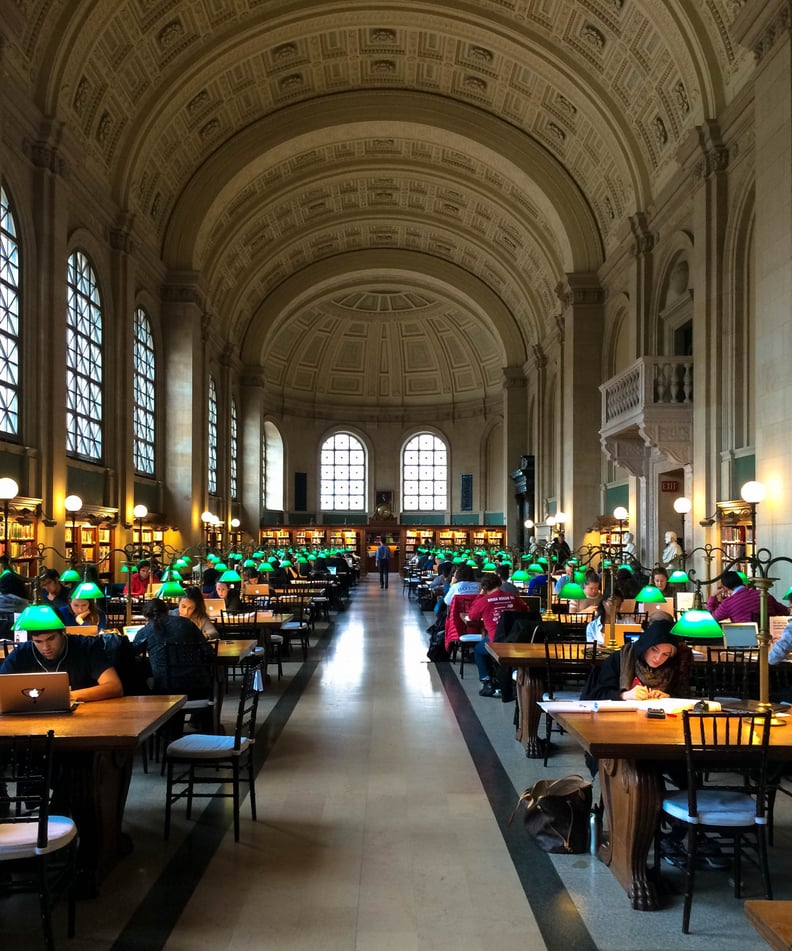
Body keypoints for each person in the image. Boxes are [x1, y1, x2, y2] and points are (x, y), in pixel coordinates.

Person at [0, 616, 123, 702]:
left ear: (63, 632)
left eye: (51, 639)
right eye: (38, 641)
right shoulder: (21, 653)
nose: (45, 647)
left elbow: (114, 687)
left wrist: (66, 696)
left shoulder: (87, 646)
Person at [131, 598, 216, 711]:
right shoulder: (187, 623)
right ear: (167, 611)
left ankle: (157, 722)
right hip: (198, 686)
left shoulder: (147, 631)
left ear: (146, 616)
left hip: (166, 689)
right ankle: (200, 722)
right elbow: (208, 652)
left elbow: (131, 653)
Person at [582, 615, 693, 702]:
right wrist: (624, 695)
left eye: (665, 654)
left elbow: (684, 695)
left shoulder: (673, 666)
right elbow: (597, 694)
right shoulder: (619, 659)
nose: (658, 658)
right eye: (654, 650)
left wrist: (668, 696)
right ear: (645, 646)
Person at [467, 573, 529, 696]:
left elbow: (472, 616)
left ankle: (487, 682)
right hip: (515, 639)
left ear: (484, 587)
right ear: (500, 583)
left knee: (478, 650)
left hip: (496, 640)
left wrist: (480, 596)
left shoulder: (484, 601)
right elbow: (526, 610)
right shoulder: (513, 597)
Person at [706, 569, 788, 623]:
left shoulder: (728, 603)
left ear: (725, 587)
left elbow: (712, 619)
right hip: (770, 641)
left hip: (743, 644)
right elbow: (785, 611)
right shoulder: (764, 594)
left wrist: (713, 596)